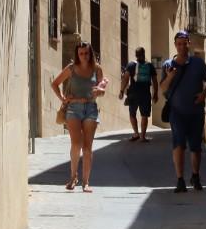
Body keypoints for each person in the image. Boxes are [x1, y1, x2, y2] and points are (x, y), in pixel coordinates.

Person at [159, 31, 206, 193]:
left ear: (189, 43)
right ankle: (180, 179)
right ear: (175, 45)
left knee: (196, 147)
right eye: (179, 44)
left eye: (185, 43)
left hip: (196, 112)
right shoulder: (168, 65)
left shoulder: (198, 63)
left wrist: (204, 94)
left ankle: (195, 176)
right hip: (177, 113)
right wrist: (170, 77)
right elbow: (163, 89)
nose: (182, 46)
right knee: (178, 145)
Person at [51, 41, 108, 193]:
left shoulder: (97, 69)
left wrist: (99, 91)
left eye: (86, 53)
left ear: (91, 54)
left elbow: (102, 90)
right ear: (77, 54)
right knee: (76, 144)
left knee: (87, 148)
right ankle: (73, 176)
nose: (84, 56)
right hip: (73, 109)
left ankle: (86, 182)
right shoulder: (71, 69)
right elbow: (55, 83)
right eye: (81, 53)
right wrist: (63, 98)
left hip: (91, 108)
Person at [119, 47, 158, 142]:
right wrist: (155, 93)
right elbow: (155, 81)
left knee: (132, 114)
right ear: (144, 54)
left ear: (136, 55)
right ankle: (143, 137)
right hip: (145, 94)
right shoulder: (150, 66)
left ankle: (136, 133)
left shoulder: (131, 65)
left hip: (133, 93)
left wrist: (121, 91)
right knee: (144, 115)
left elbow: (125, 78)